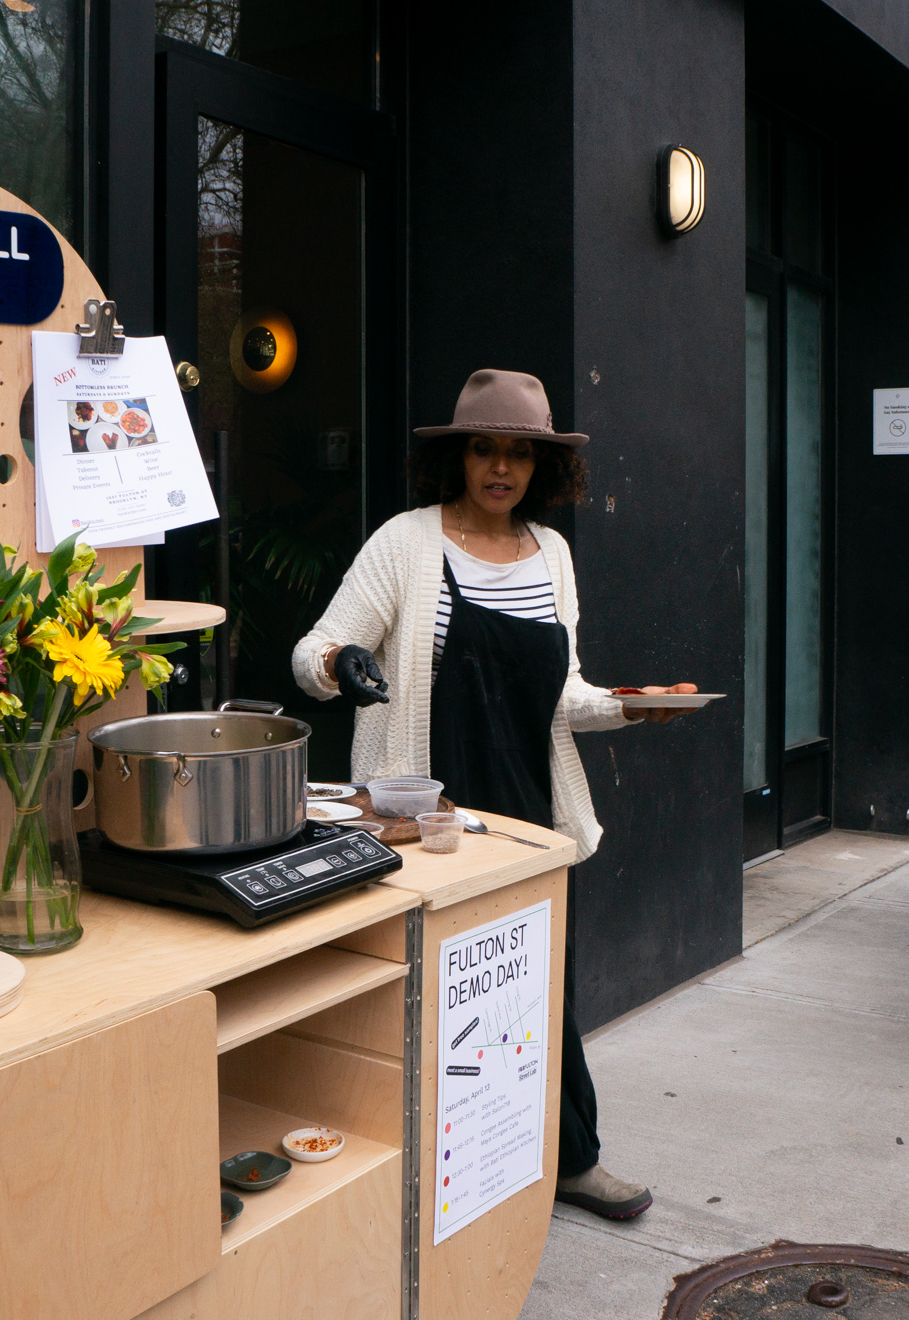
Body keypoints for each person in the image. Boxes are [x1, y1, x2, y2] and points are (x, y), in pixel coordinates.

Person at [291, 369, 694, 1222]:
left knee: (537, 990)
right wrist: (339, 666)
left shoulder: (553, 554)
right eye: (485, 448)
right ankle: (432, 1172)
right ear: (459, 457)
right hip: (424, 818)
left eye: (519, 452)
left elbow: (565, 695)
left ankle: (570, 1159)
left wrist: (631, 708)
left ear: (543, 467)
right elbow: (316, 649)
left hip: (526, 812)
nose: (501, 467)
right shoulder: (405, 543)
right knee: (430, 995)